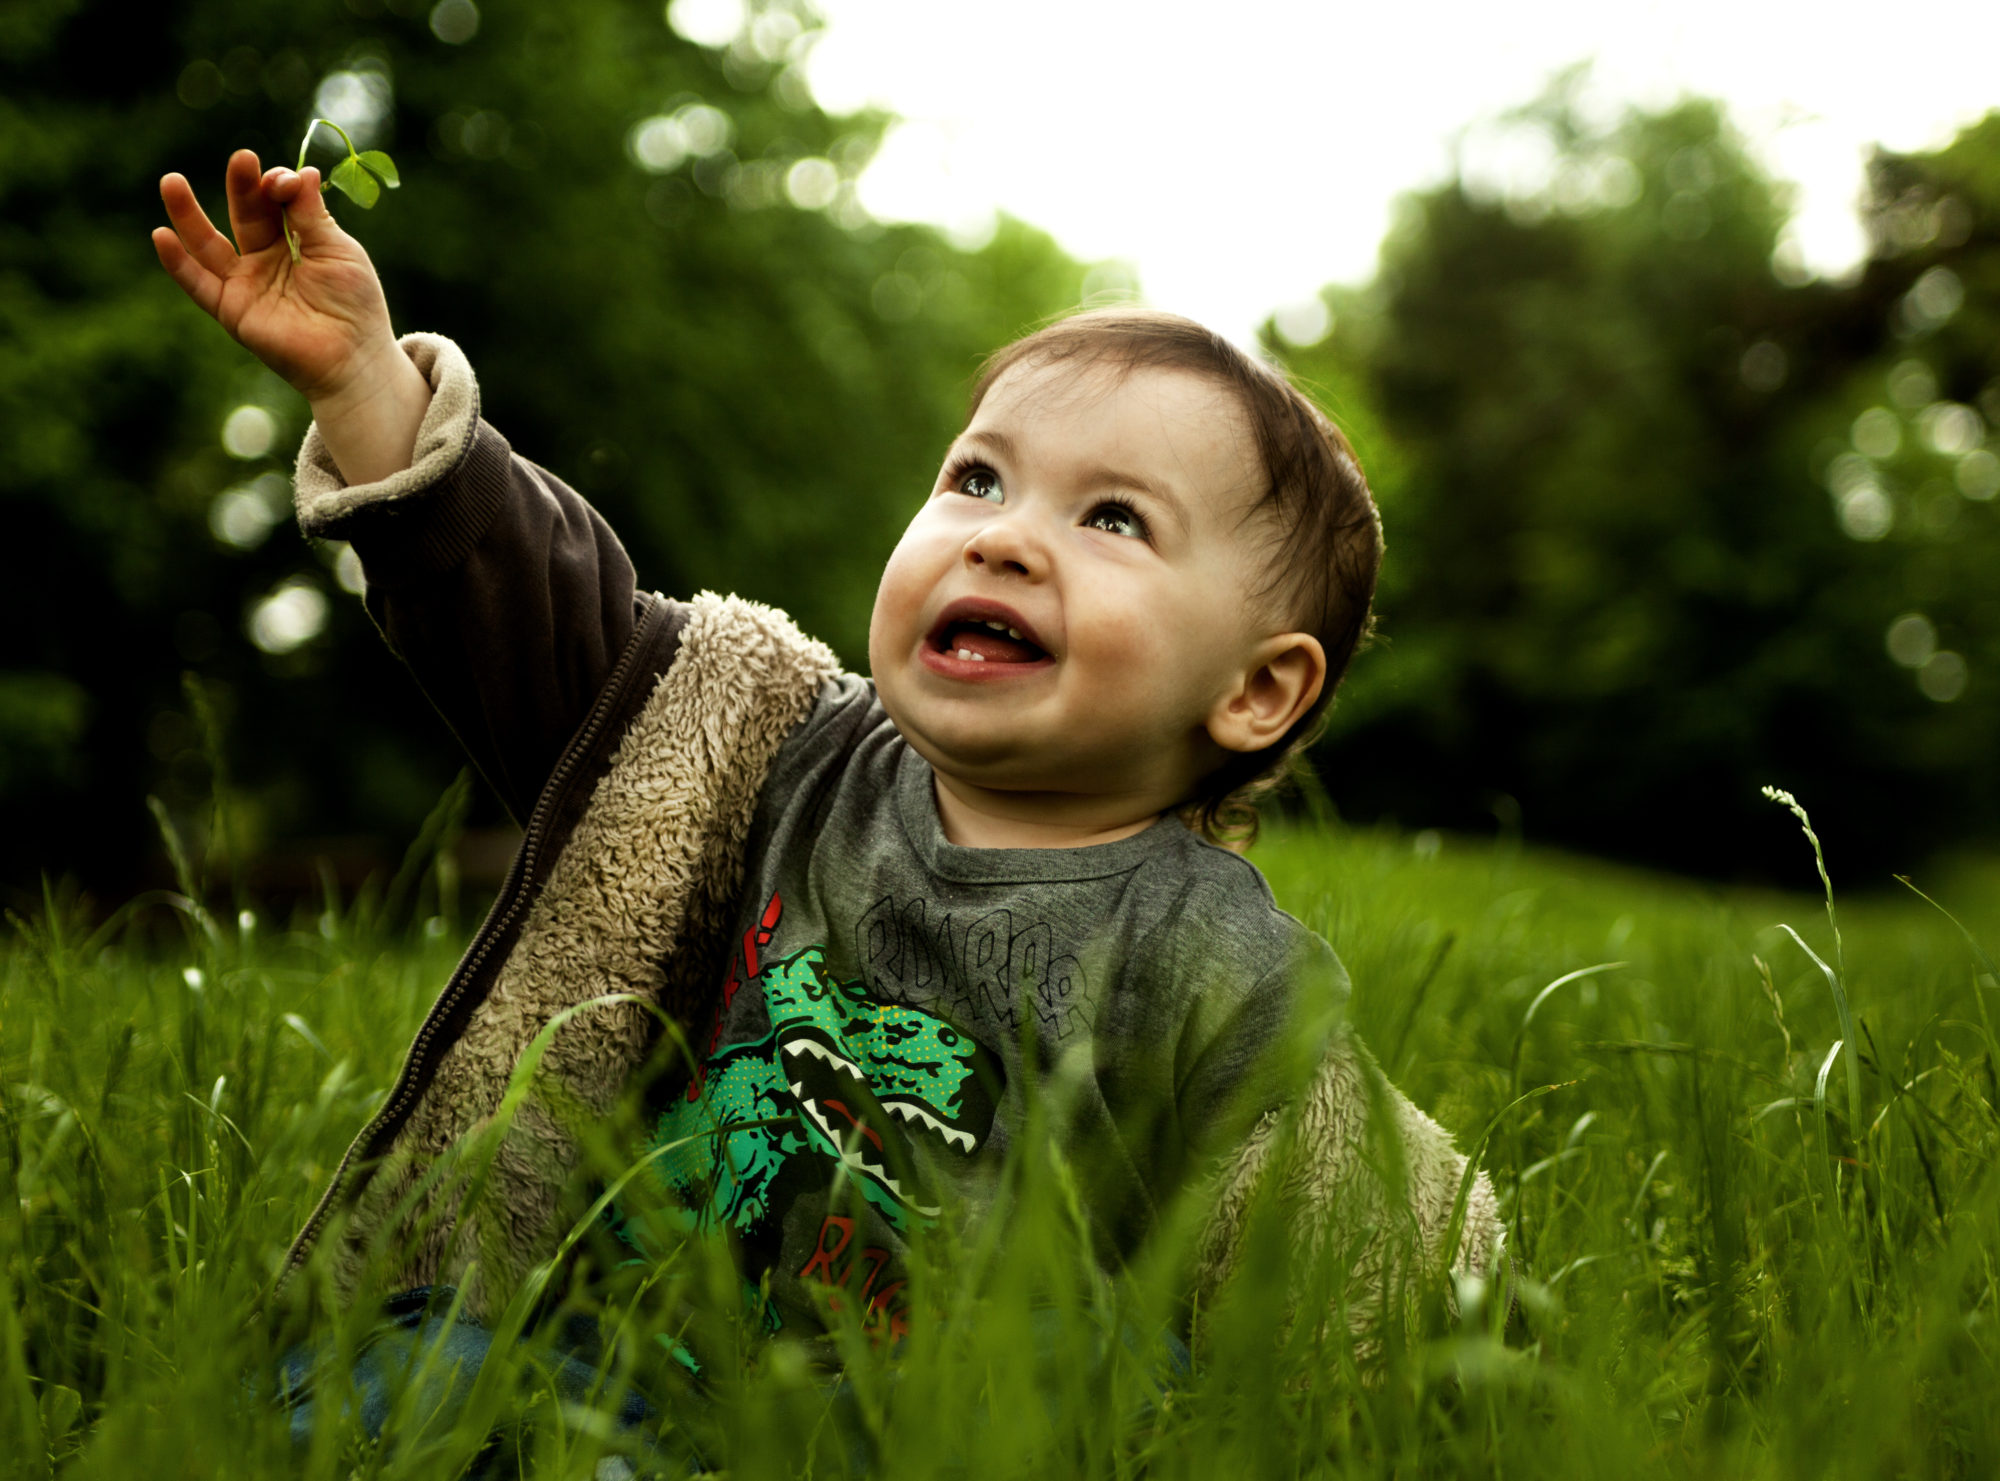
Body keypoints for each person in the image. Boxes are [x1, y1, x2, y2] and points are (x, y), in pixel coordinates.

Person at [154, 151, 1503, 1454]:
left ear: (1258, 691)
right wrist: (367, 383)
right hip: (604, 1353)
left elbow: (1361, 1233)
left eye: (1114, 520)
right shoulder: (765, 743)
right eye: (978, 476)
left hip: (900, 1430)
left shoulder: (1206, 958)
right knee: (372, 1373)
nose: (1003, 533)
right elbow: (528, 611)